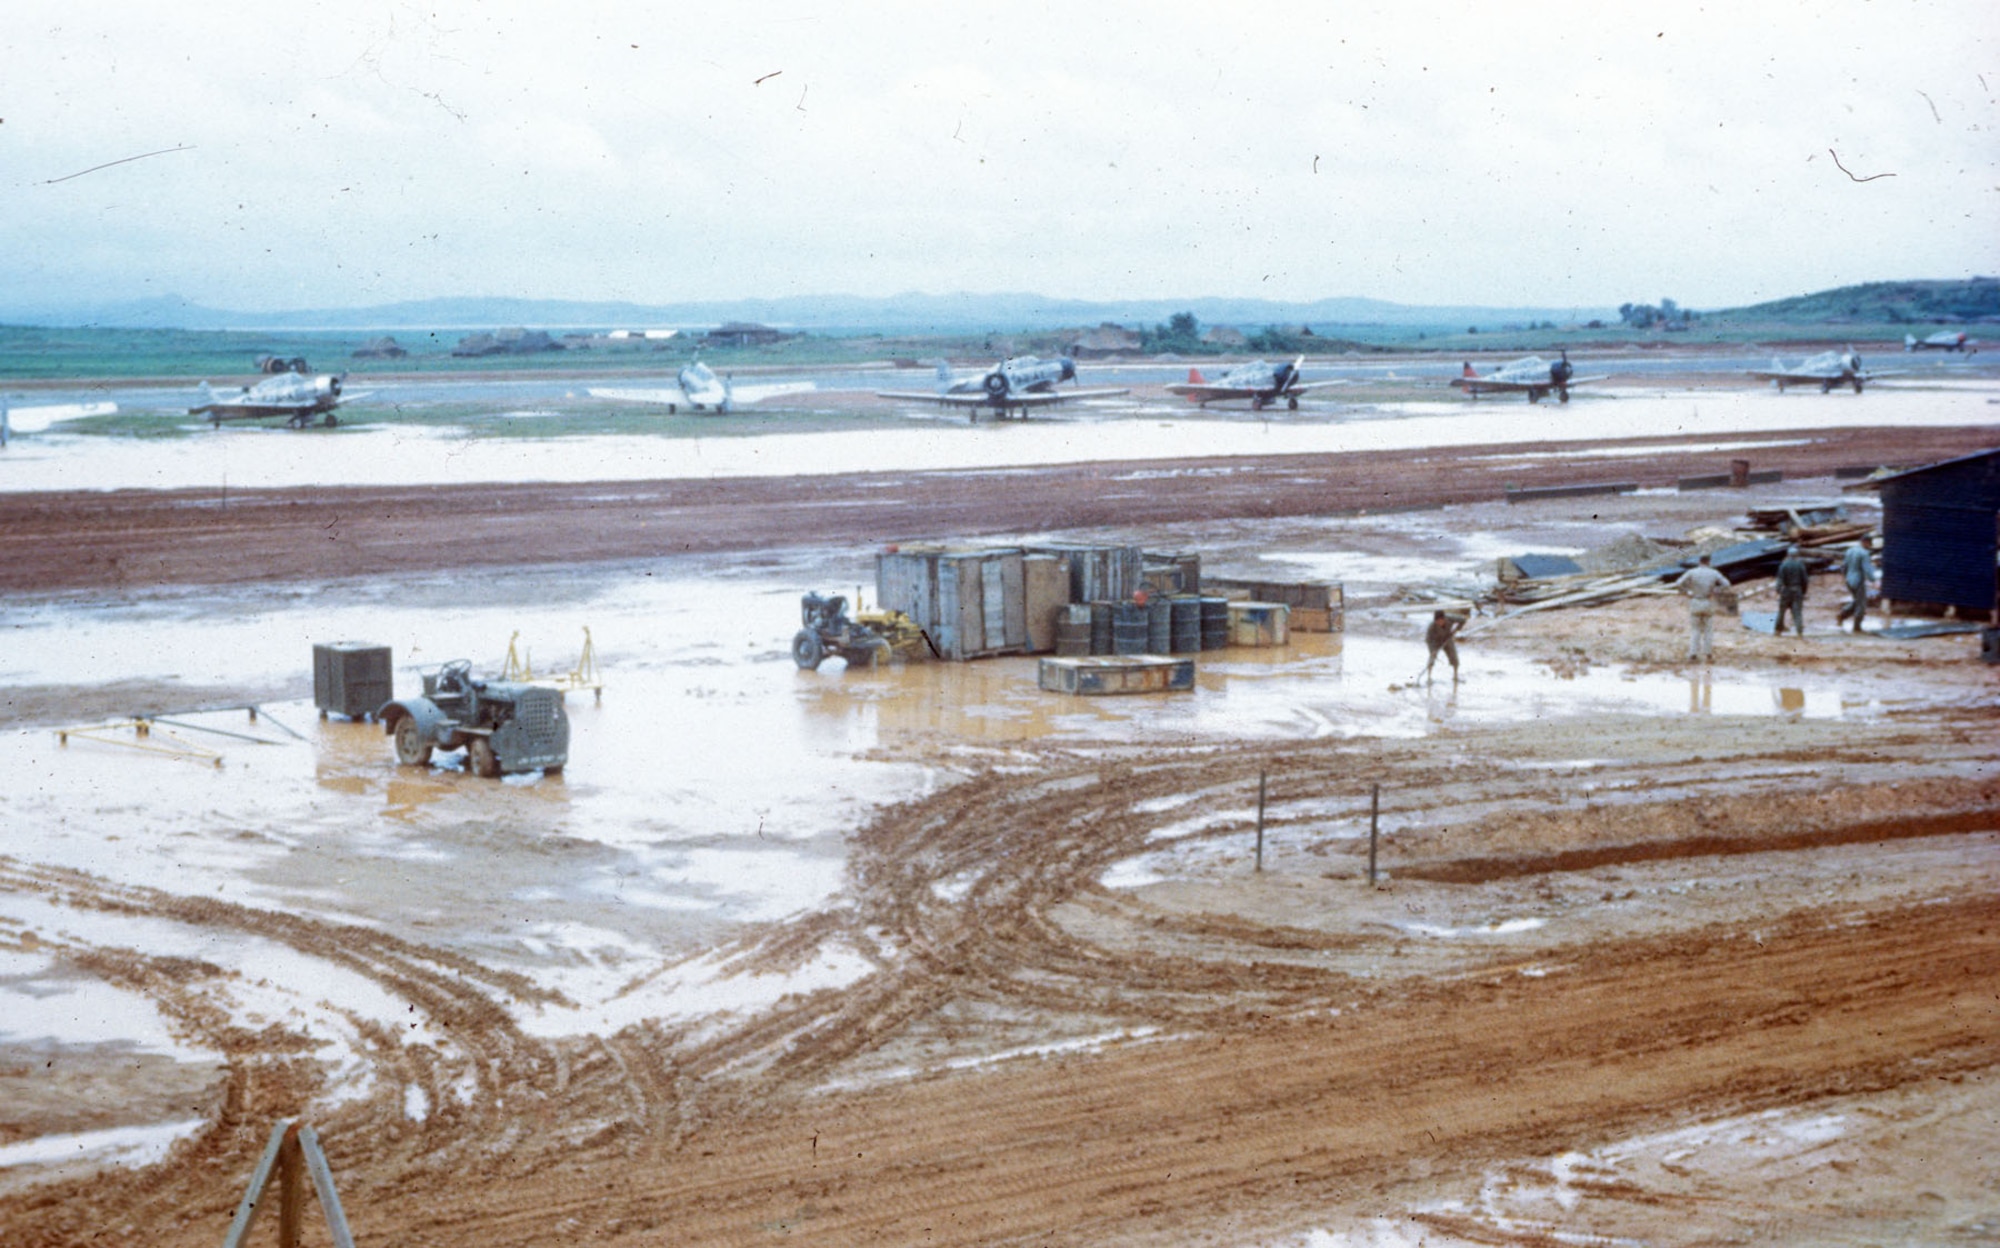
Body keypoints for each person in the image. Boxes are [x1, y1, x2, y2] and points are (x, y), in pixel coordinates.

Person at [1674, 553, 1731, 662]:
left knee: (1695, 630)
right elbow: (1727, 584)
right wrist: (1716, 590)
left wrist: (1686, 591)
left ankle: (1693, 654)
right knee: (1708, 630)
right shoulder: (1714, 573)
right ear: (1709, 562)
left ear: (1699, 561)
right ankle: (1708, 654)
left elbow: (1678, 583)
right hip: (1708, 601)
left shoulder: (1692, 572)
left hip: (1695, 600)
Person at [1836, 540, 1878, 632]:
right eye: (1869, 544)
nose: (1869, 547)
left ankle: (1842, 614)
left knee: (1857, 600)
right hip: (1858, 580)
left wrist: (1845, 577)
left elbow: (1844, 566)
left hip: (1849, 580)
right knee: (1861, 603)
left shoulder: (1850, 551)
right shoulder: (1864, 554)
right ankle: (1857, 626)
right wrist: (1874, 580)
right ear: (1866, 543)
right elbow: (1867, 568)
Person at [1775, 544, 1810, 636]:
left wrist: (1778, 590)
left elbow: (1780, 579)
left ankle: (1778, 630)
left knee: (1782, 611)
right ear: (1797, 555)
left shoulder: (1784, 565)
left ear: (1788, 555)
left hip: (1786, 590)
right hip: (1797, 590)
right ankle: (1799, 631)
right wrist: (1803, 591)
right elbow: (1805, 580)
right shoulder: (1800, 565)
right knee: (1797, 611)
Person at [1424, 610, 1463, 682]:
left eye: (1440, 621)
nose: (1439, 623)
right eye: (1437, 621)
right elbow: (1429, 640)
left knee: (1454, 657)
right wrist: (1432, 651)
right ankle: (1429, 677)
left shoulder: (1450, 619)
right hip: (1435, 641)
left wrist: (1456, 630)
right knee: (1432, 658)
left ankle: (1455, 676)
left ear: (1444, 619)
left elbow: (1463, 620)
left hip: (1447, 639)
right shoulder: (1432, 627)